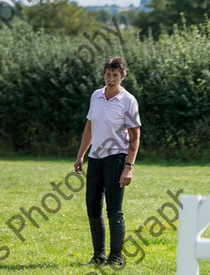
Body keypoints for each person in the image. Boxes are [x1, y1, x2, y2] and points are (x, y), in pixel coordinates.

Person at [74, 56, 141, 267]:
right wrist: (81, 154)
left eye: (115, 76)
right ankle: (99, 255)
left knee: (114, 209)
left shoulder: (128, 101)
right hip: (95, 159)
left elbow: (135, 136)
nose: (111, 79)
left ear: (122, 77)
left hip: (117, 159)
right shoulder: (96, 96)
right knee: (93, 207)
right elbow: (89, 127)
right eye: (108, 75)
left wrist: (128, 167)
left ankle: (116, 256)